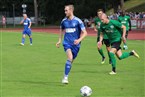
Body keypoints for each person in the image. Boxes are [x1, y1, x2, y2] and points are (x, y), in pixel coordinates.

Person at [56, 4, 87, 84]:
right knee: (69, 57)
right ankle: (65, 78)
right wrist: (59, 40)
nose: (65, 12)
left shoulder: (78, 21)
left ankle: (65, 75)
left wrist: (79, 40)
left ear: (71, 10)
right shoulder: (64, 21)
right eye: (65, 10)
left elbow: (85, 33)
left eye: (66, 10)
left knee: (70, 61)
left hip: (76, 45)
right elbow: (61, 31)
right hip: (67, 43)